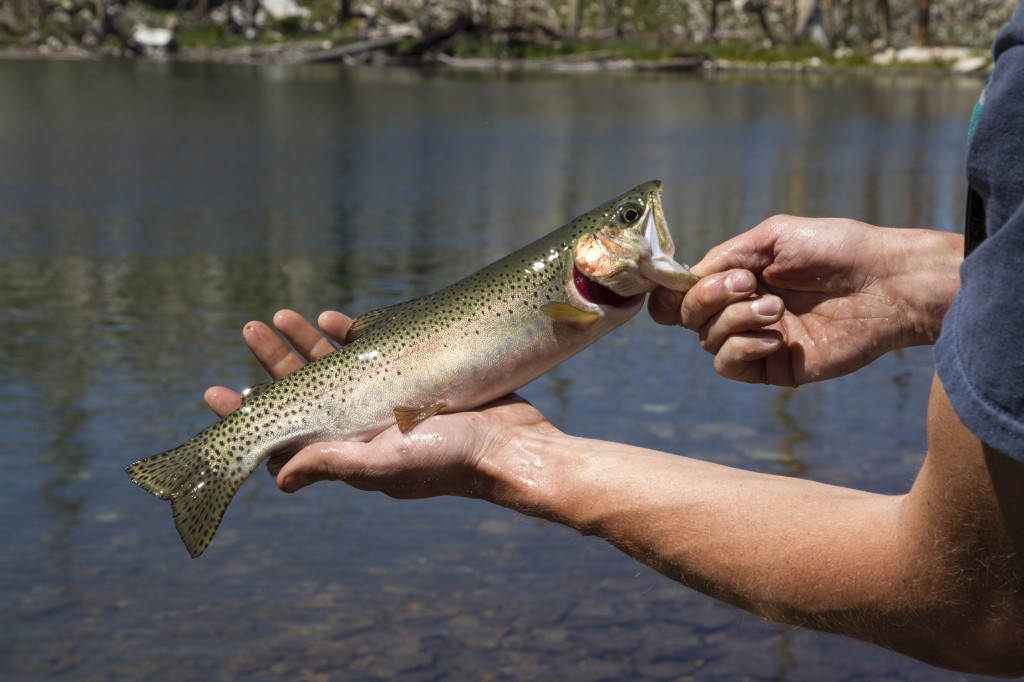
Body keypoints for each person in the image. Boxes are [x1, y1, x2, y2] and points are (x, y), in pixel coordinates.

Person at [204, 9, 1024, 676]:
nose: (645, 225)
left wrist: (505, 458)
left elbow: (981, 607)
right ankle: (214, 462)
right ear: (590, 259)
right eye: (628, 223)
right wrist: (925, 279)